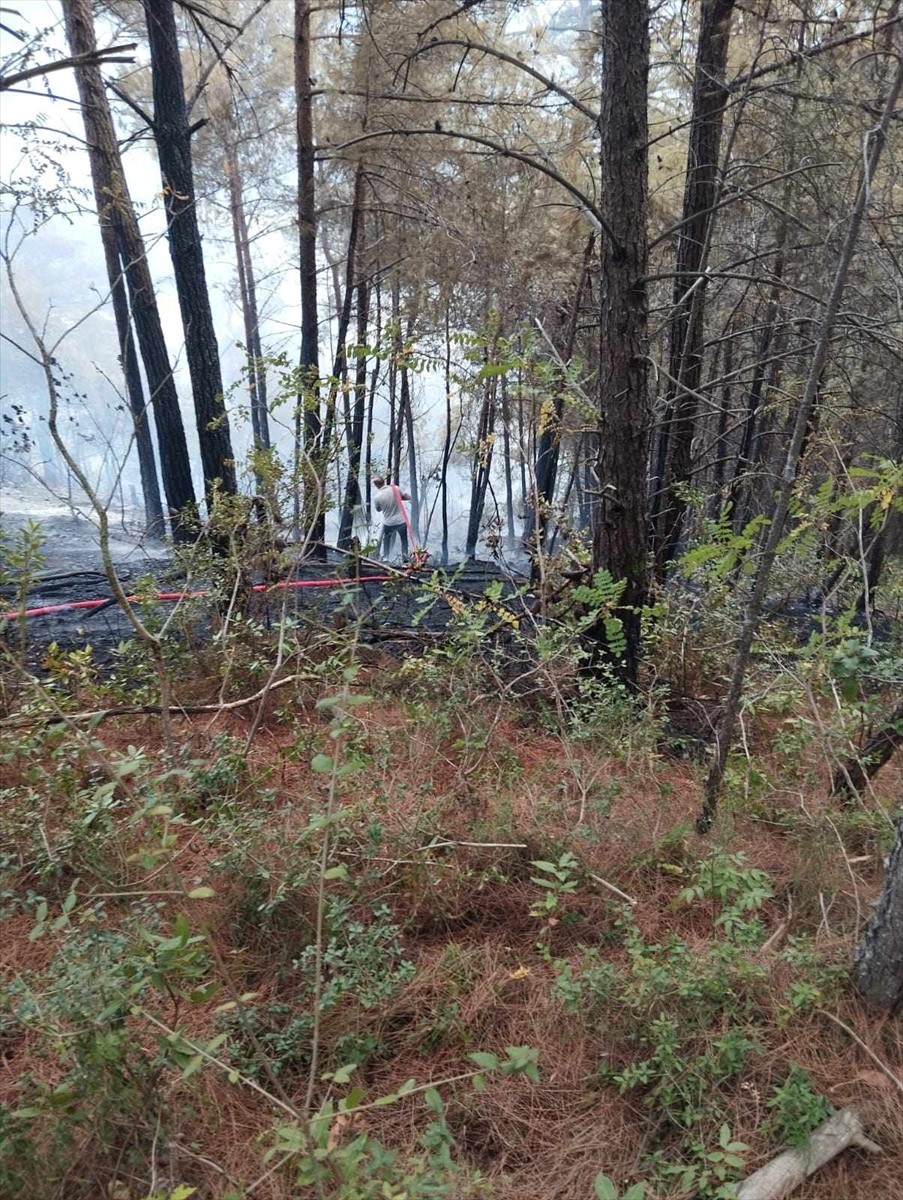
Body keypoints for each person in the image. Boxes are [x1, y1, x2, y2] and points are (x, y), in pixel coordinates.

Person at [372, 475, 411, 560]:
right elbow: (405, 497)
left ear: (376, 485)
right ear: (384, 481)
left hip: (388, 522)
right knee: (404, 540)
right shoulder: (396, 489)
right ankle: (405, 558)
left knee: (387, 540)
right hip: (401, 521)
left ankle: (386, 557)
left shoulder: (377, 497)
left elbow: (378, 509)